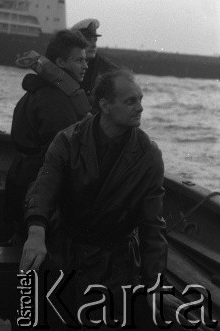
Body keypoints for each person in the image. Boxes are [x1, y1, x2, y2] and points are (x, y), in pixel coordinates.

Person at [20, 70, 168, 327]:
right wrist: (36, 232)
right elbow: (44, 187)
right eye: (130, 101)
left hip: (115, 263)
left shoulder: (148, 155)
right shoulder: (68, 140)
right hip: (67, 252)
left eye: (140, 100)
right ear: (105, 105)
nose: (140, 108)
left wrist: (154, 284)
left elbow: (152, 225)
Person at [4, 30, 91, 237]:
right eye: (79, 60)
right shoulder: (55, 101)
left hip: (22, 183)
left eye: (86, 60)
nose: (86, 66)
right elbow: (57, 160)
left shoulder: (40, 92)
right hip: (37, 194)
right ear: (60, 62)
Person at [70, 18, 118, 95]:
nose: (94, 45)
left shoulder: (108, 70)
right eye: (88, 39)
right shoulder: (67, 64)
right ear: (76, 42)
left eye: (95, 40)